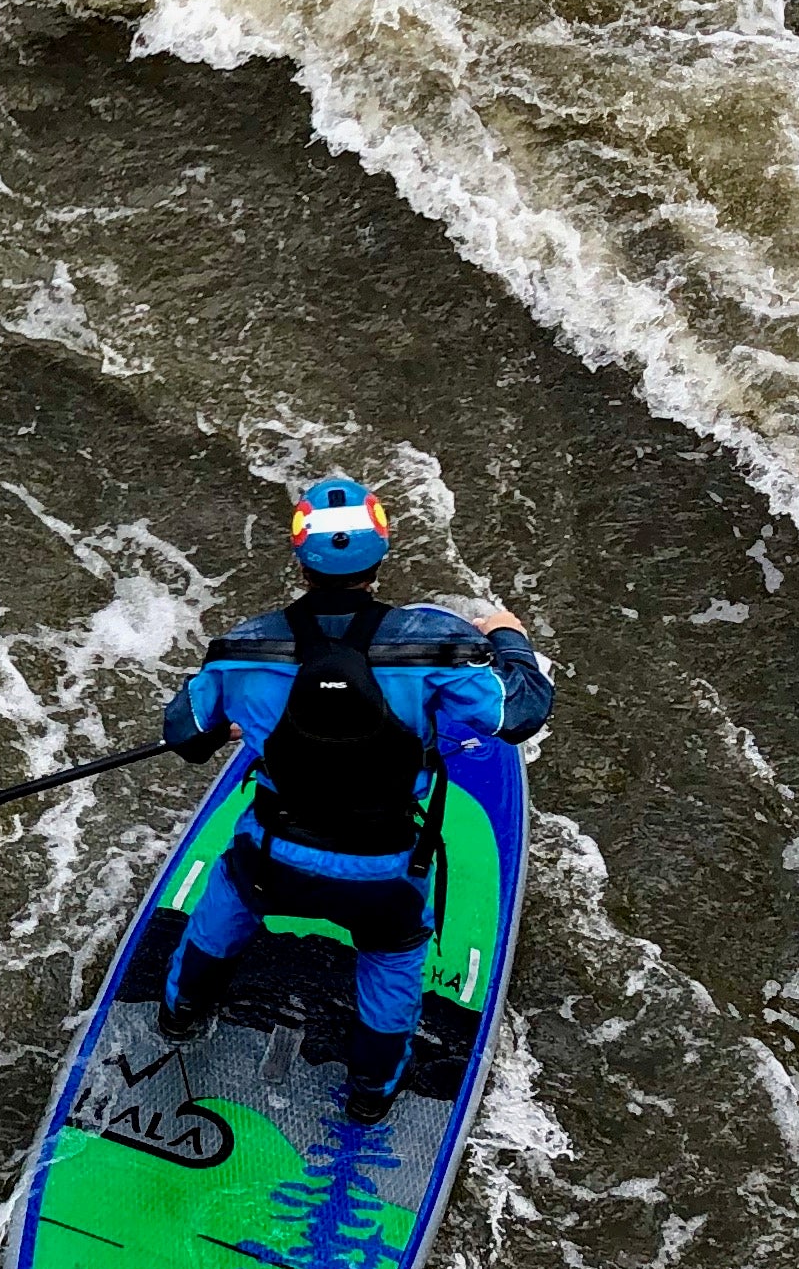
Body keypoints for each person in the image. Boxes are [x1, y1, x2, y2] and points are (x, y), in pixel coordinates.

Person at [156, 476, 554, 1115]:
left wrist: (232, 714)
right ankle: (369, 1097)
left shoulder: (240, 648)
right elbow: (520, 714)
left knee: (230, 896)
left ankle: (179, 1015)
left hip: (273, 858)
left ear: (299, 553)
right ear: (382, 548)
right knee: (393, 957)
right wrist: (508, 637)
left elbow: (185, 735)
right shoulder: (435, 641)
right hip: (384, 871)